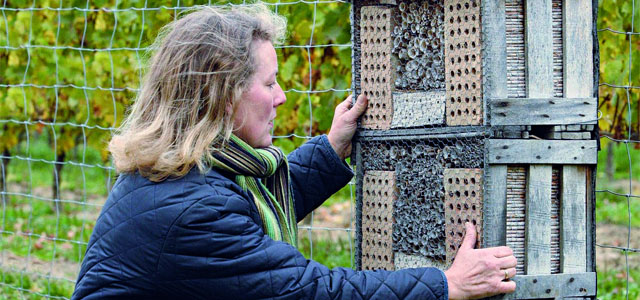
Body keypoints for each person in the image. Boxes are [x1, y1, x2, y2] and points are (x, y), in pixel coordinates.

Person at [72, 4, 517, 299]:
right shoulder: (193, 211)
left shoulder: (182, 173)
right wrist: (446, 284)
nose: (282, 96)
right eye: (268, 84)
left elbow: (251, 208)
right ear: (224, 95)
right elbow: (309, 291)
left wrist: (331, 147)